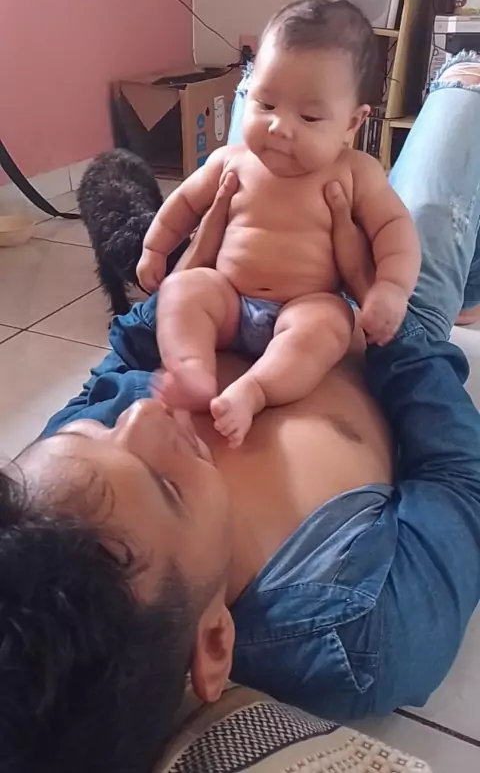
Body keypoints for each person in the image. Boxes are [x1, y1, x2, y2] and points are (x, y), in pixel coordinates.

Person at [2, 54, 480, 772]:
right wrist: (379, 303)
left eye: (93, 430)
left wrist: (190, 271)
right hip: (383, 330)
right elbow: (458, 479)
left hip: (233, 284)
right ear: (214, 643)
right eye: (168, 485)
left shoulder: (42, 504)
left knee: (270, 118)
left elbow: (121, 363)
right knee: (454, 128)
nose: (144, 418)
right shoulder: (363, 635)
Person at [137, 0, 420, 447]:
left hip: (303, 305)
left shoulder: (355, 172)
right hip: (228, 301)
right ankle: (191, 370)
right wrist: (155, 247)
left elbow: (395, 230)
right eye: (265, 104)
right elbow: (185, 202)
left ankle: (257, 389)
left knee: (330, 323)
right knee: (183, 289)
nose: (279, 127)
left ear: (352, 123)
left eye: (309, 116)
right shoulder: (232, 160)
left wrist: (391, 287)